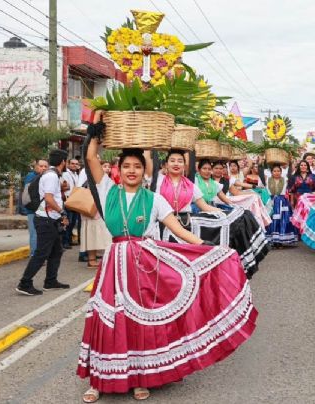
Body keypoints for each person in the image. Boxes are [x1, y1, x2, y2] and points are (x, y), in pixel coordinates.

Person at [78, 131, 257, 403]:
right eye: (126, 166)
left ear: (144, 171)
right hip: (114, 263)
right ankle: (97, 381)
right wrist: (94, 135)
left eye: (137, 167)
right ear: (117, 169)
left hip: (145, 266)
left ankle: (141, 378)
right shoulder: (107, 191)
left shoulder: (154, 199)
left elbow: (180, 231)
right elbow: (91, 157)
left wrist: (210, 249)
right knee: (108, 319)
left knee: (140, 323)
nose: (131, 171)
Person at [189, 159, 269, 277]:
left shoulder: (215, 184)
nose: (206, 171)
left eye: (208, 169)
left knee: (242, 215)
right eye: (204, 169)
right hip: (198, 210)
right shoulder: (194, 181)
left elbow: (225, 199)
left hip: (212, 209)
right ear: (198, 170)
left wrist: (235, 208)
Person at [16, 149, 70, 296]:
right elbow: (49, 198)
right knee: (41, 253)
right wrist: (62, 212)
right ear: (63, 162)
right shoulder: (52, 176)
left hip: (49, 218)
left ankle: (50, 281)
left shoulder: (50, 175)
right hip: (45, 220)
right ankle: (24, 283)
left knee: (56, 251)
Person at [79, 161, 112, 268]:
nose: (107, 169)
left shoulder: (97, 179)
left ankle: (93, 259)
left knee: (95, 236)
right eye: (104, 166)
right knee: (97, 236)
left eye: (108, 167)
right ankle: (93, 260)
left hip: (94, 212)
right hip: (94, 212)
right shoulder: (94, 180)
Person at [265, 165, 298, 246]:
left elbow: (291, 174)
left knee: (283, 220)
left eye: (278, 171)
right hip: (271, 201)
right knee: (273, 220)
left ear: (281, 172)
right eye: (274, 171)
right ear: (271, 172)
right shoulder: (267, 180)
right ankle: (274, 240)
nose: (276, 173)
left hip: (282, 201)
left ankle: (282, 240)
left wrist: (290, 162)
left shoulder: (285, 179)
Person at [23, 159, 49, 257]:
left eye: (45, 166)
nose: (43, 168)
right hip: (33, 209)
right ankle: (34, 255)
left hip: (42, 209)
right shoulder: (31, 176)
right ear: (36, 166)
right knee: (35, 233)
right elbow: (29, 194)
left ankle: (40, 254)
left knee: (41, 233)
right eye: (41, 166)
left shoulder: (45, 177)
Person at [62, 158, 82, 249]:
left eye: (76, 164)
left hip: (75, 200)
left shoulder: (76, 175)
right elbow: (65, 187)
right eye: (72, 164)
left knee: (73, 222)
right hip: (68, 199)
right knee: (68, 222)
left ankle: (69, 240)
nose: (74, 165)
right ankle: (65, 241)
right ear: (68, 164)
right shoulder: (65, 174)